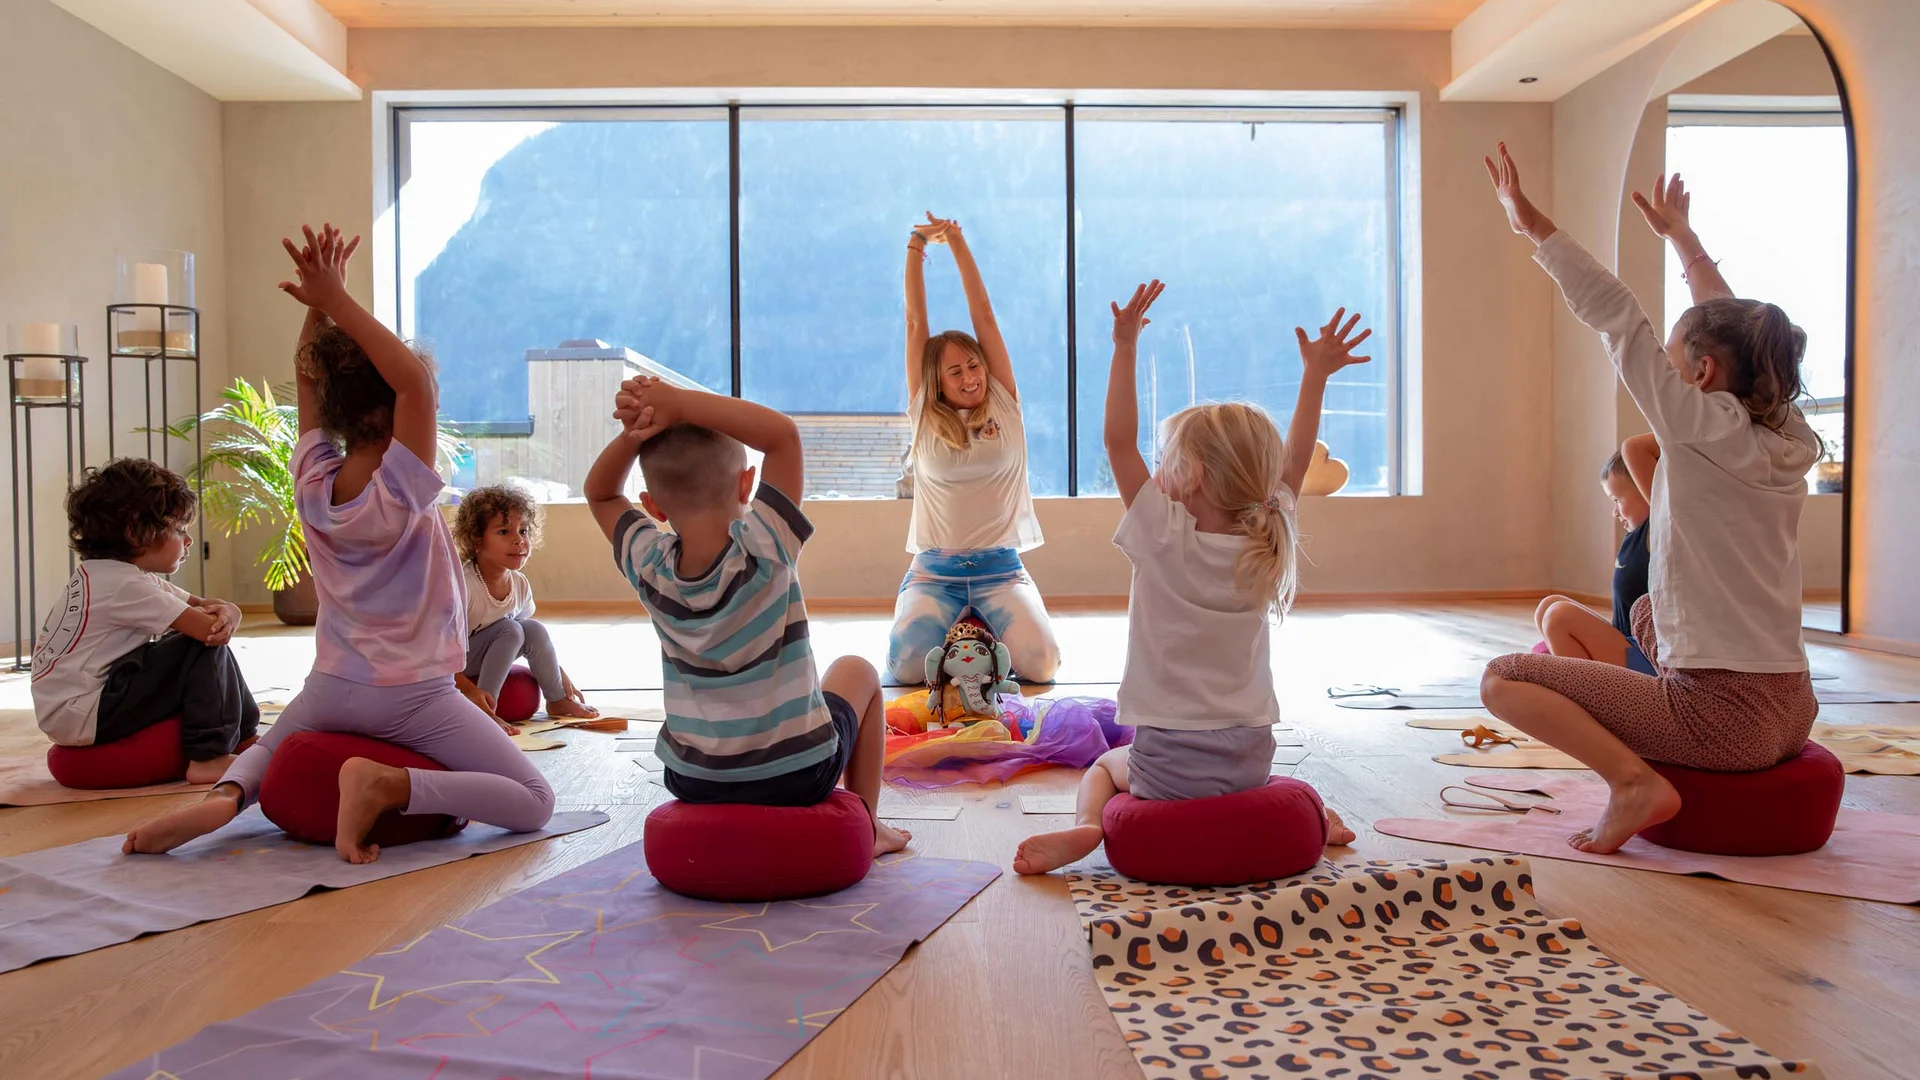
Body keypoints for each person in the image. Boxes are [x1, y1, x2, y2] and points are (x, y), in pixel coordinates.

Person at [123, 224, 554, 863]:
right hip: (411, 697)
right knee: (532, 798)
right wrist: (338, 301)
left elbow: (308, 381)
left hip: (331, 685)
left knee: (270, 745)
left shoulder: (314, 480)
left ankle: (225, 799)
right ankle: (389, 785)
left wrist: (320, 303)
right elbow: (415, 386)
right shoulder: (402, 488)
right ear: (396, 416)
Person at [1479, 146, 1820, 854]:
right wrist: (1685, 244)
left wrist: (1532, 225)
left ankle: (1634, 785)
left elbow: (1616, 316)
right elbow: (1745, 339)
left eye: (1671, 363)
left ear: (1698, 374)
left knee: (1504, 679)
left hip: (1726, 720)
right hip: (1793, 706)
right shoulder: (1788, 431)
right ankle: (1647, 743)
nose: (1660, 372)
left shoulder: (1697, 424)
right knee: (1642, 610)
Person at [1013, 282, 1360, 875]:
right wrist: (1316, 377)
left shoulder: (1162, 534)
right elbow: (1298, 457)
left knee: (1105, 768)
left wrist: (1124, 346)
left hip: (1169, 762)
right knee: (1261, 778)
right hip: (1250, 754)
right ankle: (1314, 816)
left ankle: (1086, 826)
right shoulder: (1266, 537)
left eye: (1166, 458)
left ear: (1190, 474)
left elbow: (1116, 440)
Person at [583, 374, 910, 858]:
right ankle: (868, 823)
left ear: (651, 506)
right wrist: (678, 403)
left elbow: (601, 494)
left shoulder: (649, 566)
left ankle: (861, 821)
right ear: (747, 483)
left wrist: (636, 432)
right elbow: (783, 436)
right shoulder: (766, 547)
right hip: (797, 774)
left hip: (692, 779)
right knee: (859, 671)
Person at [888, 213, 1059, 686]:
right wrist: (917, 246)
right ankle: (968, 635)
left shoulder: (1004, 403)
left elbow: (983, 312)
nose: (970, 378)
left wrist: (958, 240)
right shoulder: (924, 414)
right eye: (955, 373)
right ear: (936, 384)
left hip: (1000, 570)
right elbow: (914, 320)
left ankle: (976, 633)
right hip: (934, 572)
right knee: (904, 670)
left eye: (973, 365)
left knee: (1042, 665)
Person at [32, 458, 257, 784]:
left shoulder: (109, 573)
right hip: (86, 712)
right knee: (200, 648)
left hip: (75, 708)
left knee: (188, 644)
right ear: (136, 532)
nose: (188, 541)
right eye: (179, 530)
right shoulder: (125, 586)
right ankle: (210, 756)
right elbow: (210, 630)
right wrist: (229, 614)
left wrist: (227, 611)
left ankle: (245, 739)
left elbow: (201, 606)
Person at [451, 485, 597, 721]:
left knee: (533, 628)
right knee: (509, 629)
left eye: (524, 531)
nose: (518, 540)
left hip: (491, 652)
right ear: (477, 538)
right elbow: (437, 653)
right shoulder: (463, 585)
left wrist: (557, 676)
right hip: (454, 663)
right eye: (503, 532)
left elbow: (530, 638)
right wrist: (470, 691)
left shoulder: (519, 584)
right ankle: (485, 712)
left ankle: (558, 701)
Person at [1532, 445, 1654, 673]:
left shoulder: (1657, 530)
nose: (1614, 512)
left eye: (1617, 500)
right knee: (1550, 605)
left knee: (1559, 616)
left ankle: (1586, 692)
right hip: (1624, 641)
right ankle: (1577, 680)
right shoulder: (1635, 536)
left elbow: (1638, 448)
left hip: (1646, 656)